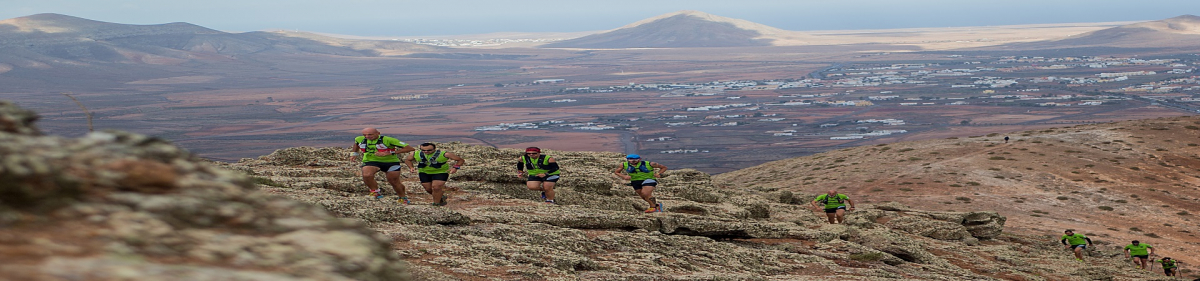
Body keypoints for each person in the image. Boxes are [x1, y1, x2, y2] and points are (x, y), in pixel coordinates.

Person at [351, 128, 415, 202]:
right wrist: (354, 154)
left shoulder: (389, 140)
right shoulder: (359, 139)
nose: (367, 136)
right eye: (365, 135)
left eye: (370, 134)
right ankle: (375, 191)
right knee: (367, 175)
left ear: (378, 133)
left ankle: (402, 198)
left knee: (394, 182)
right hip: (370, 161)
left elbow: (409, 148)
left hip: (391, 162)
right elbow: (356, 145)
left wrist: (390, 152)